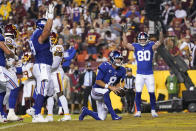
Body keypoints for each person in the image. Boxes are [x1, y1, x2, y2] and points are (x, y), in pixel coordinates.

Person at [123, 31, 162, 117]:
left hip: (149, 74)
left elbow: (160, 42)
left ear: (147, 39)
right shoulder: (136, 46)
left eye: (144, 39)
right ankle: (138, 111)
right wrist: (124, 33)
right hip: (140, 74)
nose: (142, 41)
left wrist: (161, 32)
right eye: (141, 39)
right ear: (138, 40)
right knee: (138, 93)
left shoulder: (151, 45)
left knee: (151, 92)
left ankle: (153, 110)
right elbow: (125, 44)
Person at [79, 50, 126, 120]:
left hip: (104, 95)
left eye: (120, 59)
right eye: (117, 59)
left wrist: (118, 88)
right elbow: (98, 81)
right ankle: (114, 115)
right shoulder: (105, 65)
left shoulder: (122, 70)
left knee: (101, 118)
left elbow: (116, 83)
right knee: (106, 91)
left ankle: (85, 111)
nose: (119, 61)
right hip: (96, 91)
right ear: (112, 59)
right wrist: (110, 87)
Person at [28, 4, 55, 123]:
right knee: (43, 89)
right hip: (42, 64)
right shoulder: (39, 33)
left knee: (42, 89)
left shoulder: (35, 34)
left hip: (42, 64)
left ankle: (34, 109)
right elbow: (47, 31)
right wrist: (50, 17)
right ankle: (37, 113)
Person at [45, 32, 71, 122]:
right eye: (50, 39)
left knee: (60, 93)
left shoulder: (58, 47)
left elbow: (55, 64)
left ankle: (67, 114)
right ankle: (50, 115)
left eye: (52, 39)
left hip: (56, 72)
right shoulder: (49, 48)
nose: (51, 41)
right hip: (51, 73)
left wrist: (45, 68)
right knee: (50, 94)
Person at [0, 28, 20, 122]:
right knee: (15, 87)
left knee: (1, 92)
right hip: (3, 68)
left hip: (3, 67)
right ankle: (11, 113)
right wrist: (14, 56)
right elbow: (7, 51)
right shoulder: (4, 38)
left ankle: (1, 114)